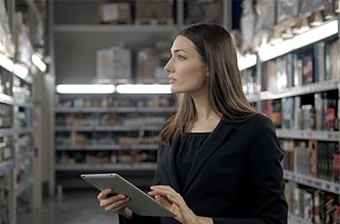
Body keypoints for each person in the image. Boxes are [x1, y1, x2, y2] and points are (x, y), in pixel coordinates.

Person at [96, 23, 288, 224]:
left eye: (180, 57)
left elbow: (273, 221)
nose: (168, 66)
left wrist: (198, 222)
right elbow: (162, 215)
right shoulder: (171, 130)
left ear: (211, 66)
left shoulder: (254, 129)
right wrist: (127, 210)